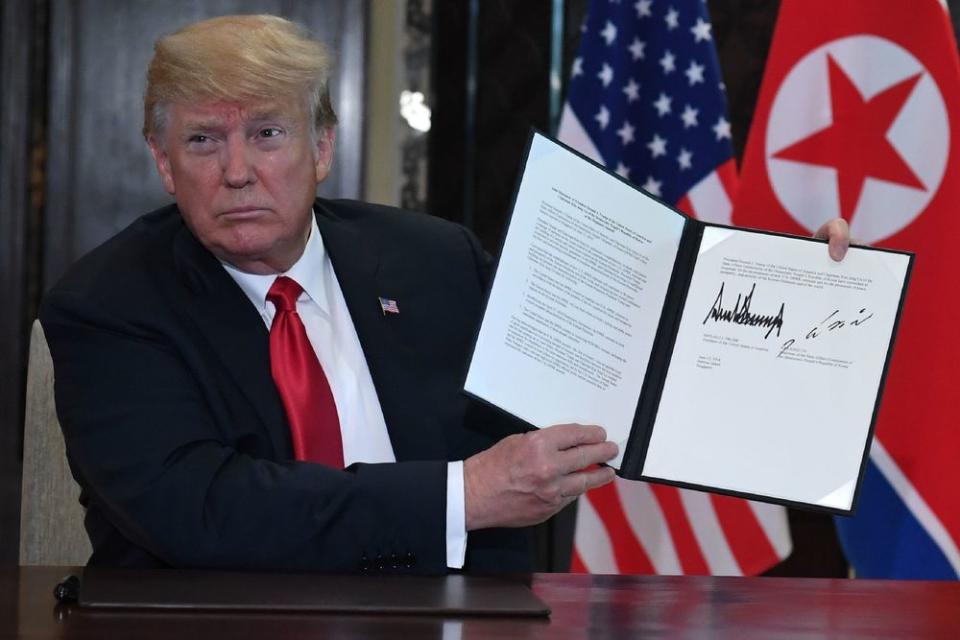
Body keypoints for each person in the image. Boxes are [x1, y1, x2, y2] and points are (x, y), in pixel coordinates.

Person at [40, 15, 850, 573]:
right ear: (162, 160)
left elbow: (626, 368)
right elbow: (205, 511)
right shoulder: (110, 304)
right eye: (204, 140)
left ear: (323, 147)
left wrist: (781, 303)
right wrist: (465, 493)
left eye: (268, 133)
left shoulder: (433, 260)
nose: (238, 170)